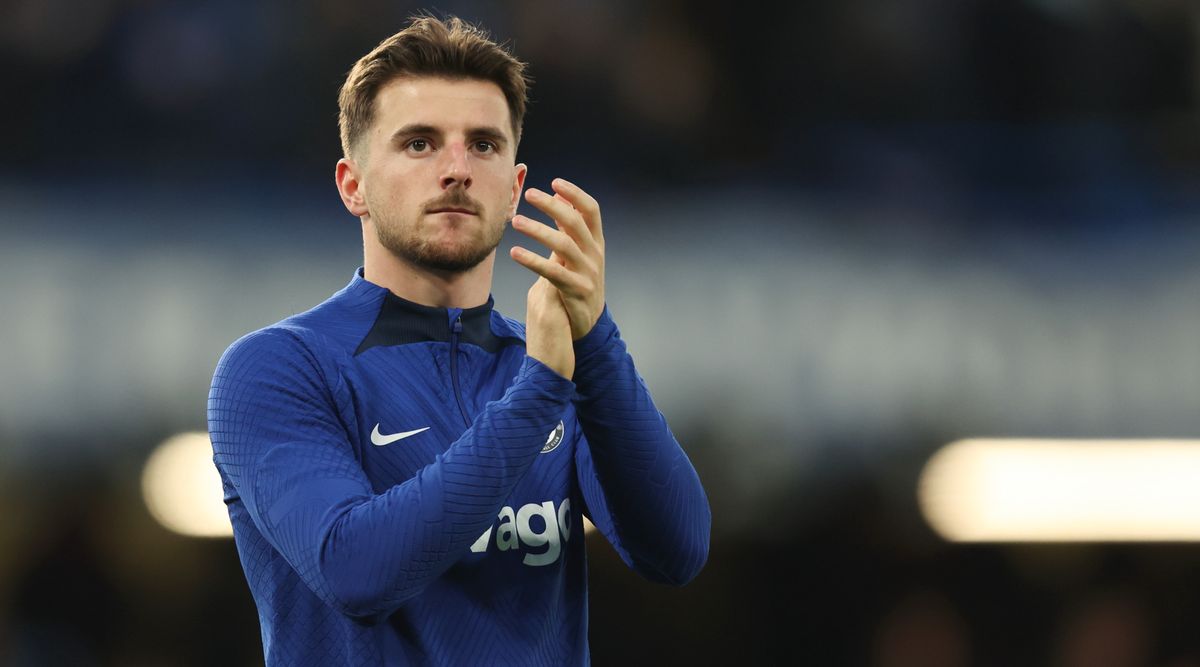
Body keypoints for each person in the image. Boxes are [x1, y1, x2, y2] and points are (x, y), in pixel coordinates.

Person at [207, 14, 710, 666]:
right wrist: (538, 395)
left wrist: (595, 337)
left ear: (515, 189)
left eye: (483, 145)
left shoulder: (557, 366)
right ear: (352, 185)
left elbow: (675, 550)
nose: (456, 169)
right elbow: (355, 570)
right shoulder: (278, 367)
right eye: (419, 144)